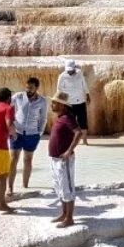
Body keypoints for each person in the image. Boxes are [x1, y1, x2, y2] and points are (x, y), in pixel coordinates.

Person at [8, 77, 49, 195]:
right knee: (13, 159)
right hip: (17, 132)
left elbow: (43, 119)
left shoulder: (42, 101)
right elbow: (7, 106)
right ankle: (10, 187)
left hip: (32, 134)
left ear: (37, 88)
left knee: (28, 160)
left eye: (31, 88)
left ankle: (25, 186)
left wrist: (39, 133)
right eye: (27, 87)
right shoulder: (18, 96)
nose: (28, 90)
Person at [48, 91, 83, 228]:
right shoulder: (60, 117)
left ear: (62, 105)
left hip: (64, 160)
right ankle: (63, 214)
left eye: (54, 102)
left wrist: (69, 151)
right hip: (55, 158)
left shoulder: (68, 117)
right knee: (60, 187)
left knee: (67, 188)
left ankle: (69, 218)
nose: (52, 104)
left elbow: (78, 132)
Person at [57, 61, 90, 145]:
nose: (69, 71)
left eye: (71, 70)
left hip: (80, 102)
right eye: (68, 70)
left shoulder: (80, 73)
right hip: (68, 103)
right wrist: (59, 103)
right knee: (69, 123)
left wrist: (87, 94)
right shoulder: (62, 77)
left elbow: (84, 84)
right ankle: (69, 141)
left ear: (75, 68)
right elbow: (59, 90)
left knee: (83, 122)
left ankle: (85, 141)